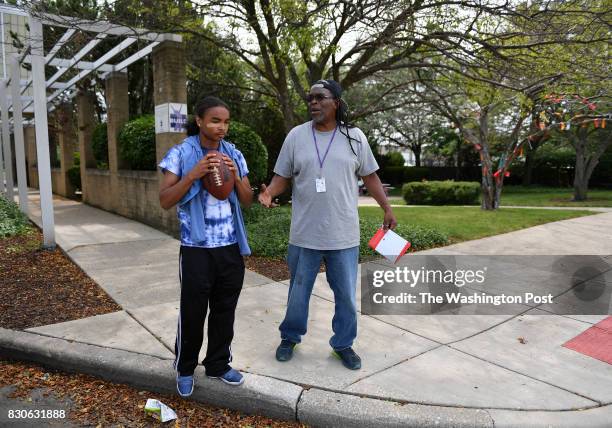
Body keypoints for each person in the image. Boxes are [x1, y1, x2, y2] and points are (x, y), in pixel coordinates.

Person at [258, 80, 397, 370]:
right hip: (304, 233)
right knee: (297, 293)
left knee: (345, 296)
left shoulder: (354, 137)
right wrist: (270, 192)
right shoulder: (297, 136)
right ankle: (290, 337)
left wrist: (386, 207)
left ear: (336, 102)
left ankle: (343, 344)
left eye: (320, 97)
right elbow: (283, 175)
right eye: (310, 98)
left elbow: (370, 176)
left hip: (343, 234)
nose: (313, 102)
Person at [159, 96, 253, 397]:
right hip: (196, 247)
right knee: (193, 311)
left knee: (225, 309)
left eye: (226, 121)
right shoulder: (180, 153)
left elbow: (247, 200)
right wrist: (193, 175)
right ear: (199, 121)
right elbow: (165, 200)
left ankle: (218, 364)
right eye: (215, 120)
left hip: (230, 246)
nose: (221, 127)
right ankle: (185, 368)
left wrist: (237, 178)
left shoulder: (234, 153)